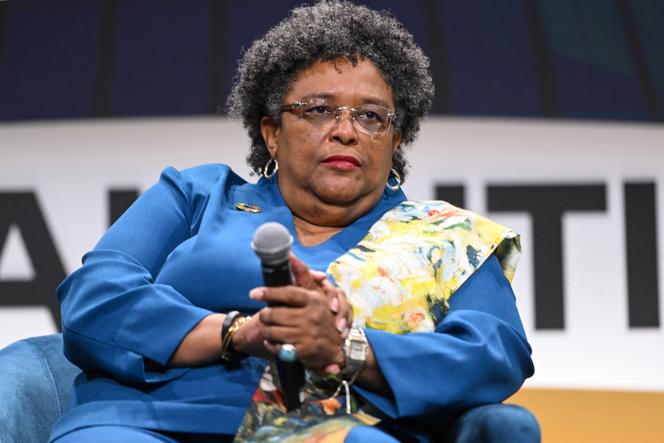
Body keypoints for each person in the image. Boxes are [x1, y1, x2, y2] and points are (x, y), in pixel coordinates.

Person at [50, 1, 535, 442]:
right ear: (272, 133)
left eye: (371, 117)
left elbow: (494, 355)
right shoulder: (197, 195)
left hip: (336, 429)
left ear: (395, 141)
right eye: (319, 110)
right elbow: (96, 297)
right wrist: (237, 332)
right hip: (150, 422)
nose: (346, 131)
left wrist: (347, 350)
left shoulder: (448, 238)